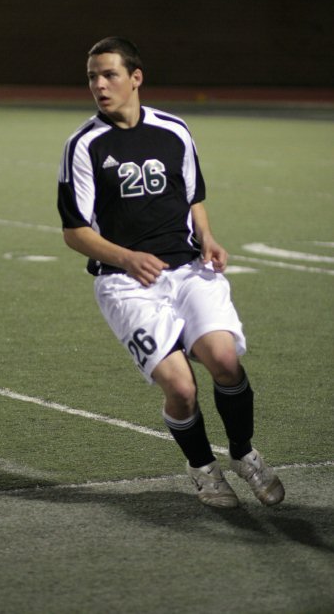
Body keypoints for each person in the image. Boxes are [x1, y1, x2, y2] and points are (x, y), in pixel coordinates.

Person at [57, 36, 285, 508]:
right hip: (126, 284)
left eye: (109, 74)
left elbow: (193, 195)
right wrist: (126, 258)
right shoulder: (84, 145)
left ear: (135, 78)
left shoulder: (175, 130)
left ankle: (245, 456)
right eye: (92, 77)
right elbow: (75, 231)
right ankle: (204, 469)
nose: (99, 85)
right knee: (181, 388)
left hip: (187, 270)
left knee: (224, 361)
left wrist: (208, 237)